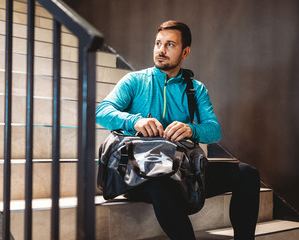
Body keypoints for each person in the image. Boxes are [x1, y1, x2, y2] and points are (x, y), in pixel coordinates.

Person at [96, 20, 260, 240]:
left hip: (180, 169)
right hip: (140, 173)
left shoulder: (196, 89)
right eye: (158, 43)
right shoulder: (134, 81)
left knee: (247, 173)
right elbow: (102, 111)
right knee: (159, 180)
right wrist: (134, 121)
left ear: (185, 52)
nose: (161, 50)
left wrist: (191, 129)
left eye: (170, 45)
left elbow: (214, 131)